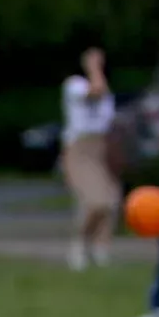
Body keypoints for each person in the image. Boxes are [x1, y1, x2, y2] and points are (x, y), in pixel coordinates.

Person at [61, 47, 120, 271]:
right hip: (80, 149)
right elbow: (95, 91)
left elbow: (108, 122)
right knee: (95, 201)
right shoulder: (74, 85)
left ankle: (99, 248)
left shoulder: (108, 92)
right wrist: (93, 67)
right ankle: (79, 244)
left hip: (100, 148)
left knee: (111, 202)